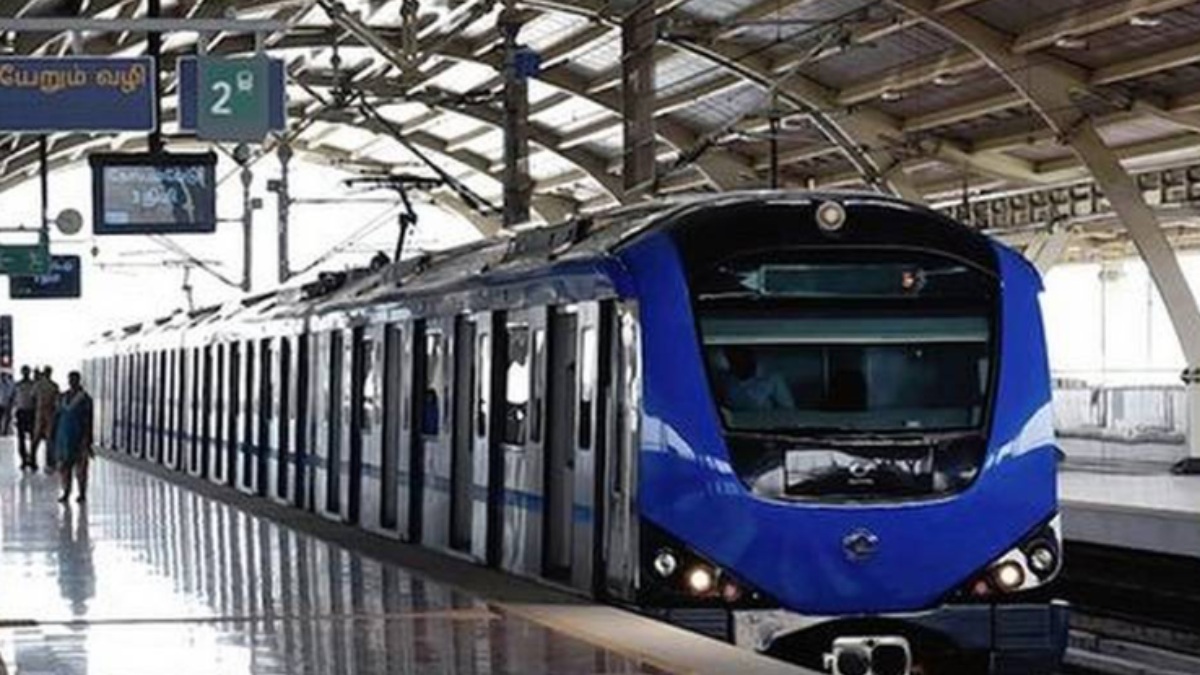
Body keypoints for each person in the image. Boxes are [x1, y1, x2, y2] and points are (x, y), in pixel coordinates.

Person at [54, 372, 93, 504]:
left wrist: (87, 439)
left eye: (74, 379)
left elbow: (88, 420)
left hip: (79, 436)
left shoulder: (85, 399)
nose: (72, 382)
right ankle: (66, 491)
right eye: (70, 379)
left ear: (79, 380)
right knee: (64, 466)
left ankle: (82, 493)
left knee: (80, 468)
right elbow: (57, 415)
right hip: (63, 436)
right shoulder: (63, 397)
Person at [719, 346, 796, 411]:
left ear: (750, 357)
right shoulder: (726, 381)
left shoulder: (773, 378)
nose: (737, 364)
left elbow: (788, 410)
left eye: (740, 359)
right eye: (733, 361)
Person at [32, 366, 61, 473]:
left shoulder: (38, 385)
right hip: (49, 413)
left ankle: (33, 460)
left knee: (37, 438)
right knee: (49, 439)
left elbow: (33, 398)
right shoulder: (54, 386)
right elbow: (57, 401)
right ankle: (49, 462)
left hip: (40, 413)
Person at [14, 366, 37, 469]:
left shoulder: (34, 384)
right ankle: (23, 460)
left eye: (27, 372)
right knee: (21, 439)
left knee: (33, 438)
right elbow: (14, 399)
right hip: (21, 412)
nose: (25, 373)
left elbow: (36, 399)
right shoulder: (17, 385)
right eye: (24, 372)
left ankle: (32, 459)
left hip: (31, 412)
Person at [0, 371, 14, 435]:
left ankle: (5, 431)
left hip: (7, 403)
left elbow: (12, 393)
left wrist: (11, 401)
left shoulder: (10, 384)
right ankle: (1, 430)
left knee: (7, 418)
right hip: (1, 403)